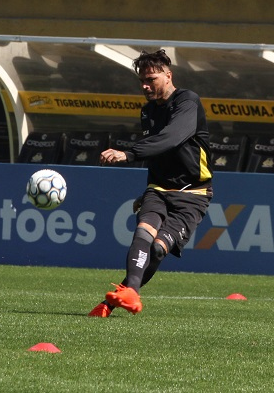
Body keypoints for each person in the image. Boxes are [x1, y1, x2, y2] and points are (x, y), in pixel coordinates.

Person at [88, 49, 213, 317]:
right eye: (142, 81)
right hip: (158, 189)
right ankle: (130, 294)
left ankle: (110, 303)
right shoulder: (148, 112)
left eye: (152, 79)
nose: (146, 86)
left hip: (193, 195)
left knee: (157, 248)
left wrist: (128, 153)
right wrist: (147, 191)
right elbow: (159, 156)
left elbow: (171, 138)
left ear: (169, 76)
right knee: (143, 234)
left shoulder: (187, 101)